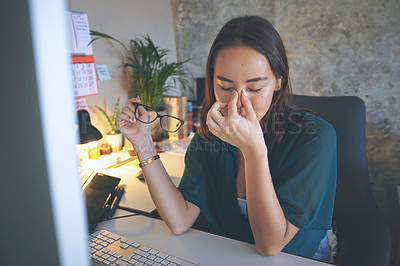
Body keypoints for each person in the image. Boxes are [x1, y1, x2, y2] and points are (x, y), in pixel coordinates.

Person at [116, 15, 337, 259]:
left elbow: (270, 245)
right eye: (225, 86)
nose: (237, 102)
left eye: (254, 88)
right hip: (233, 252)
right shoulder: (211, 136)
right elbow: (179, 220)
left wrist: (254, 150)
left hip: (295, 257)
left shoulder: (316, 136)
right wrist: (143, 143)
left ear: (278, 82)